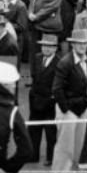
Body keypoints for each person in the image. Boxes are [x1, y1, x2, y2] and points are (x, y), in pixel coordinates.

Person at [49, 28, 87, 173]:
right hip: (68, 109)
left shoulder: (84, 60)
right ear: (73, 44)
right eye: (79, 43)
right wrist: (66, 109)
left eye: (85, 43)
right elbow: (57, 89)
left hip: (81, 107)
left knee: (77, 144)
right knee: (64, 146)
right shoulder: (65, 62)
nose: (82, 46)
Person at [29, 34, 60, 165]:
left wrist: (53, 97)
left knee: (50, 132)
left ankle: (50, 157)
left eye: (50, 46)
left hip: (50, 101)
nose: (46, 48)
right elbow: (34, 76)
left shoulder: (59, 62)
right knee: (34, 129)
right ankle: (32, 154)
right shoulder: (37, 58)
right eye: (44, 45)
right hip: (36, 98)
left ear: (55, 48)